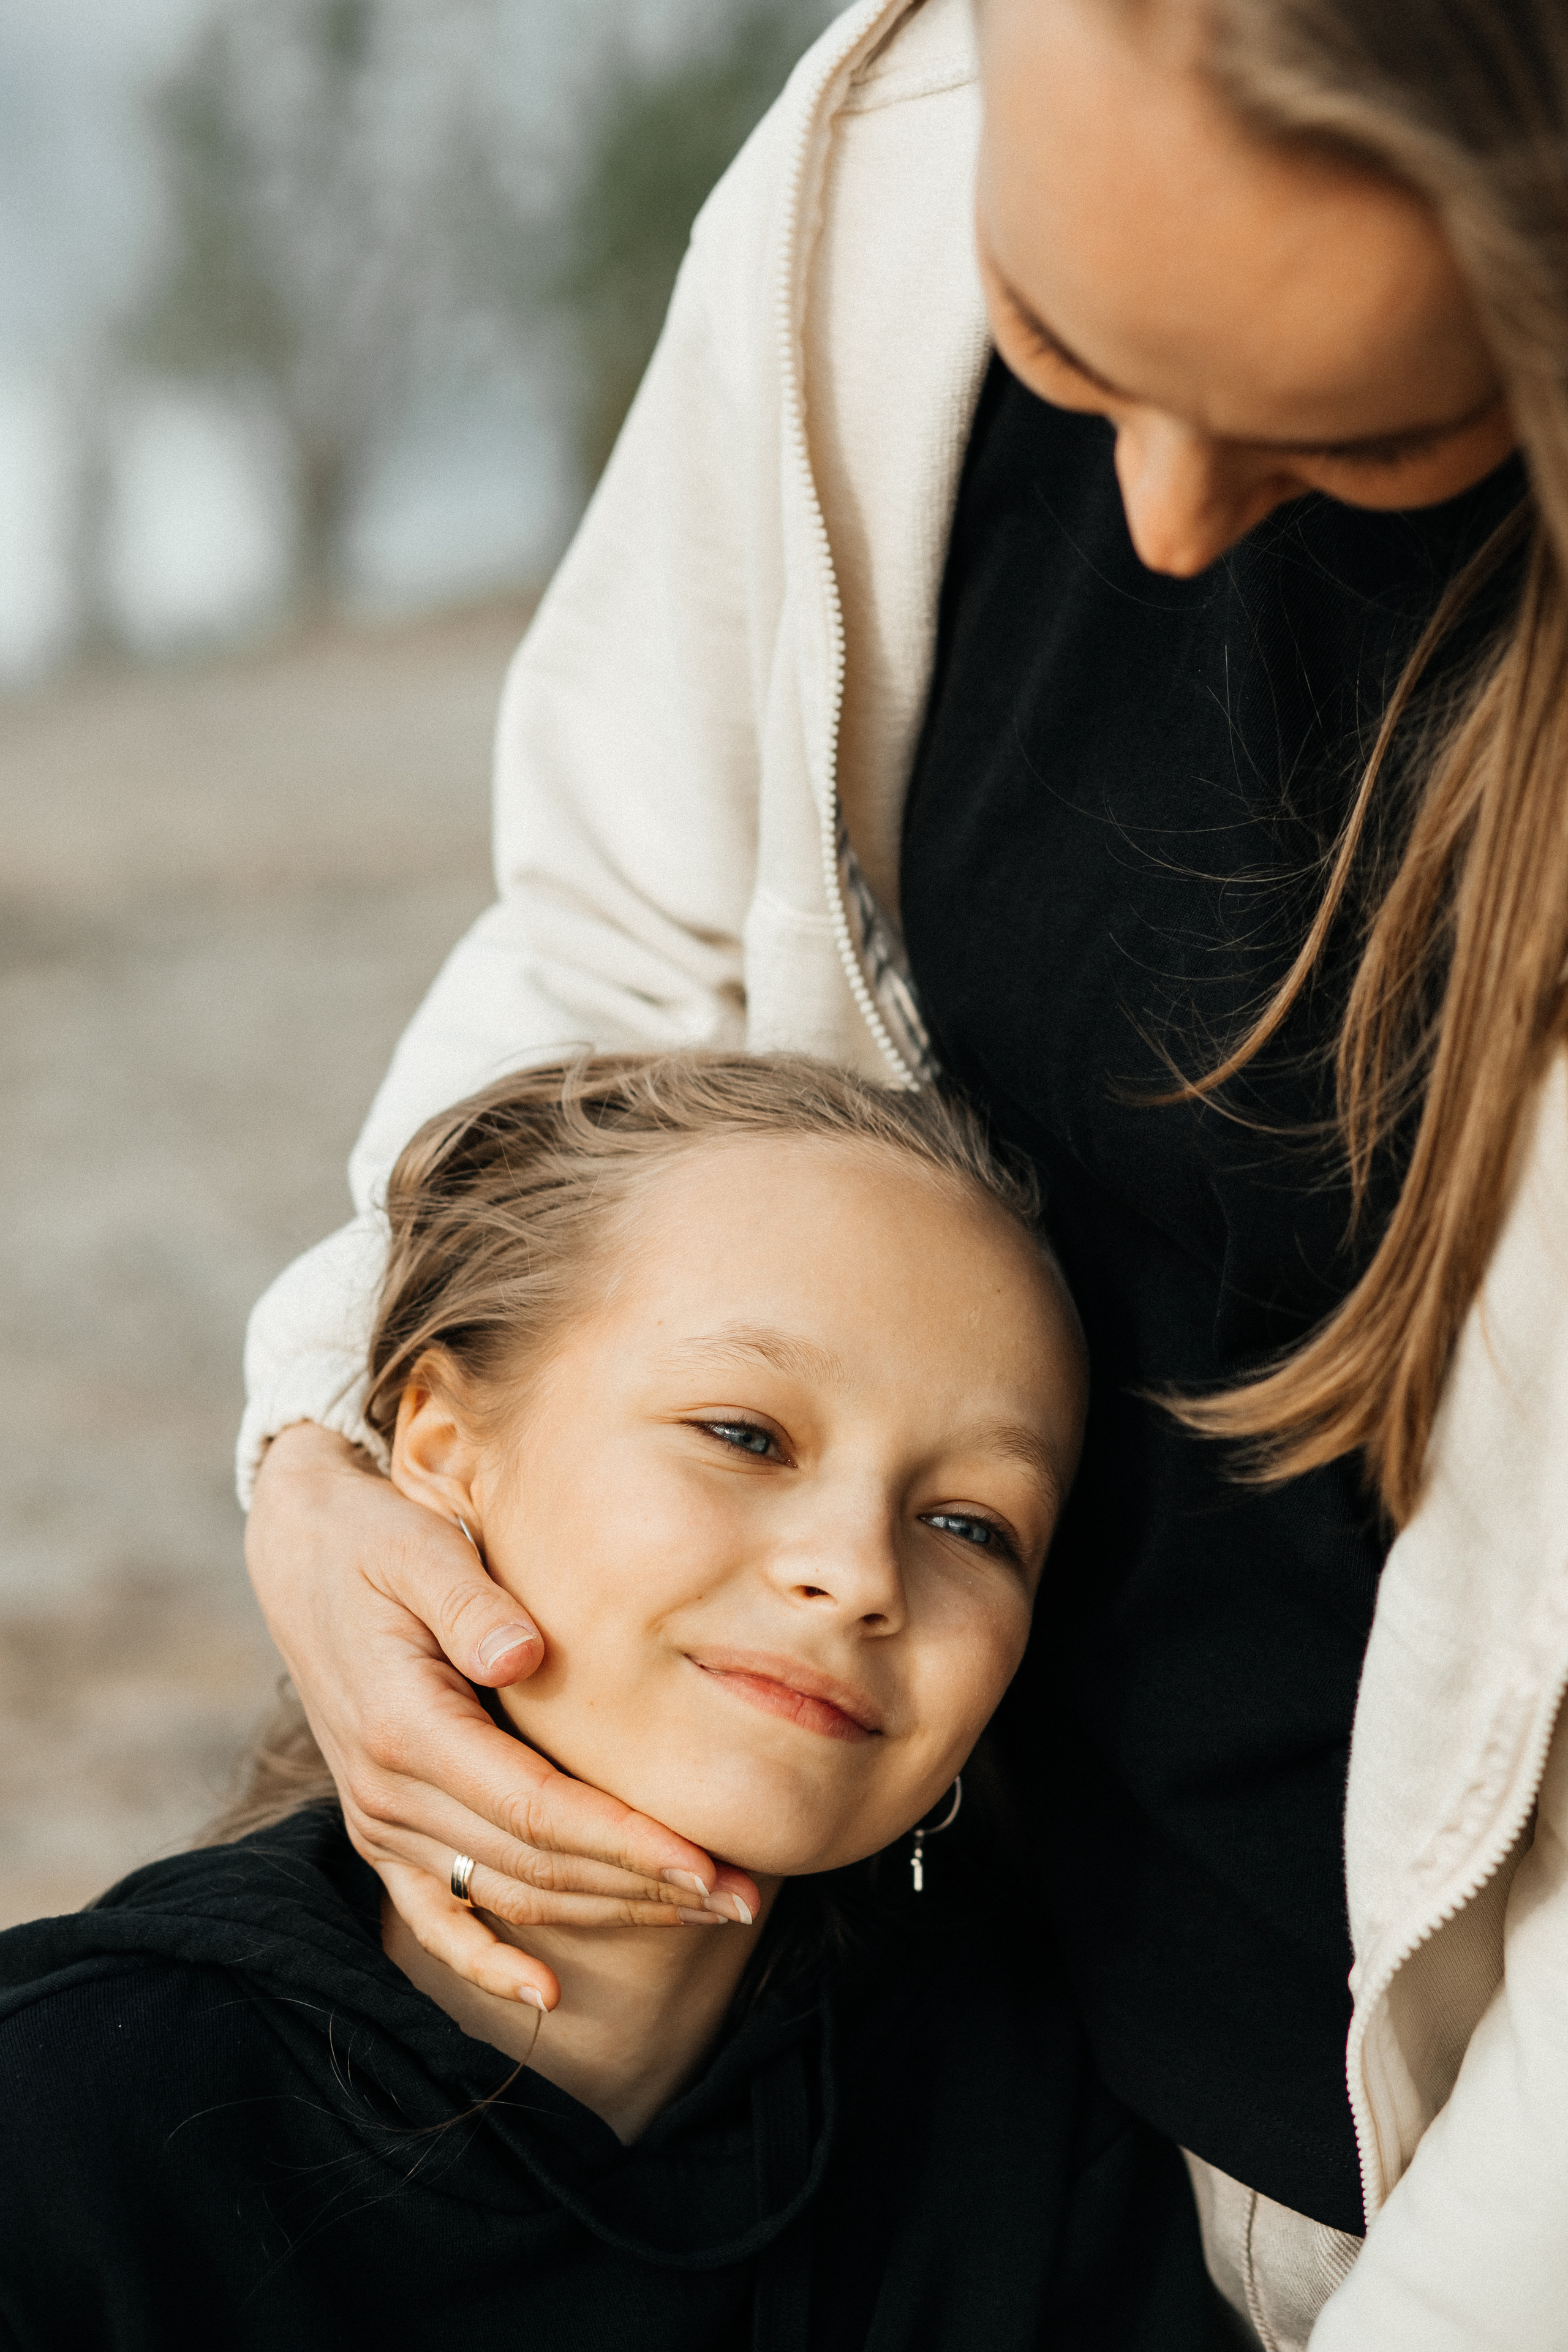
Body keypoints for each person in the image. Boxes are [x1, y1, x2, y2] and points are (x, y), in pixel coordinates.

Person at [239, 0, 1568, 2344]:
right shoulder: (880, 151)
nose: (1158, 521)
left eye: (1368, 441)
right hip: (907, 2043)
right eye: (1064, 342)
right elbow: (618, 938)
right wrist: (333, 1425)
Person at [0, 1054, 1212, 2351]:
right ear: (442, 1454)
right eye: (743, 1435)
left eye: (970, 1523)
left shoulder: (1028, 2134)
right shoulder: (58, 2128)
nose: (858, 1573)